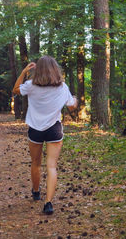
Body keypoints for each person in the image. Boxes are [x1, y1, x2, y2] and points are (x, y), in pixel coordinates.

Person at [12, 55, 77, 215]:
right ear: (55, 70)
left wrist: (23, 72)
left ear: (38, 70)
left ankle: (36, 192)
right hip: (54, 129)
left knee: (35, 162)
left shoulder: (31, 86)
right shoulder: (62, 87)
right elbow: (72, 107)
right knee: (52, 166)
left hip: (35, 129)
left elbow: (15, 90)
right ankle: (48, 203)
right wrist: (75, 100)